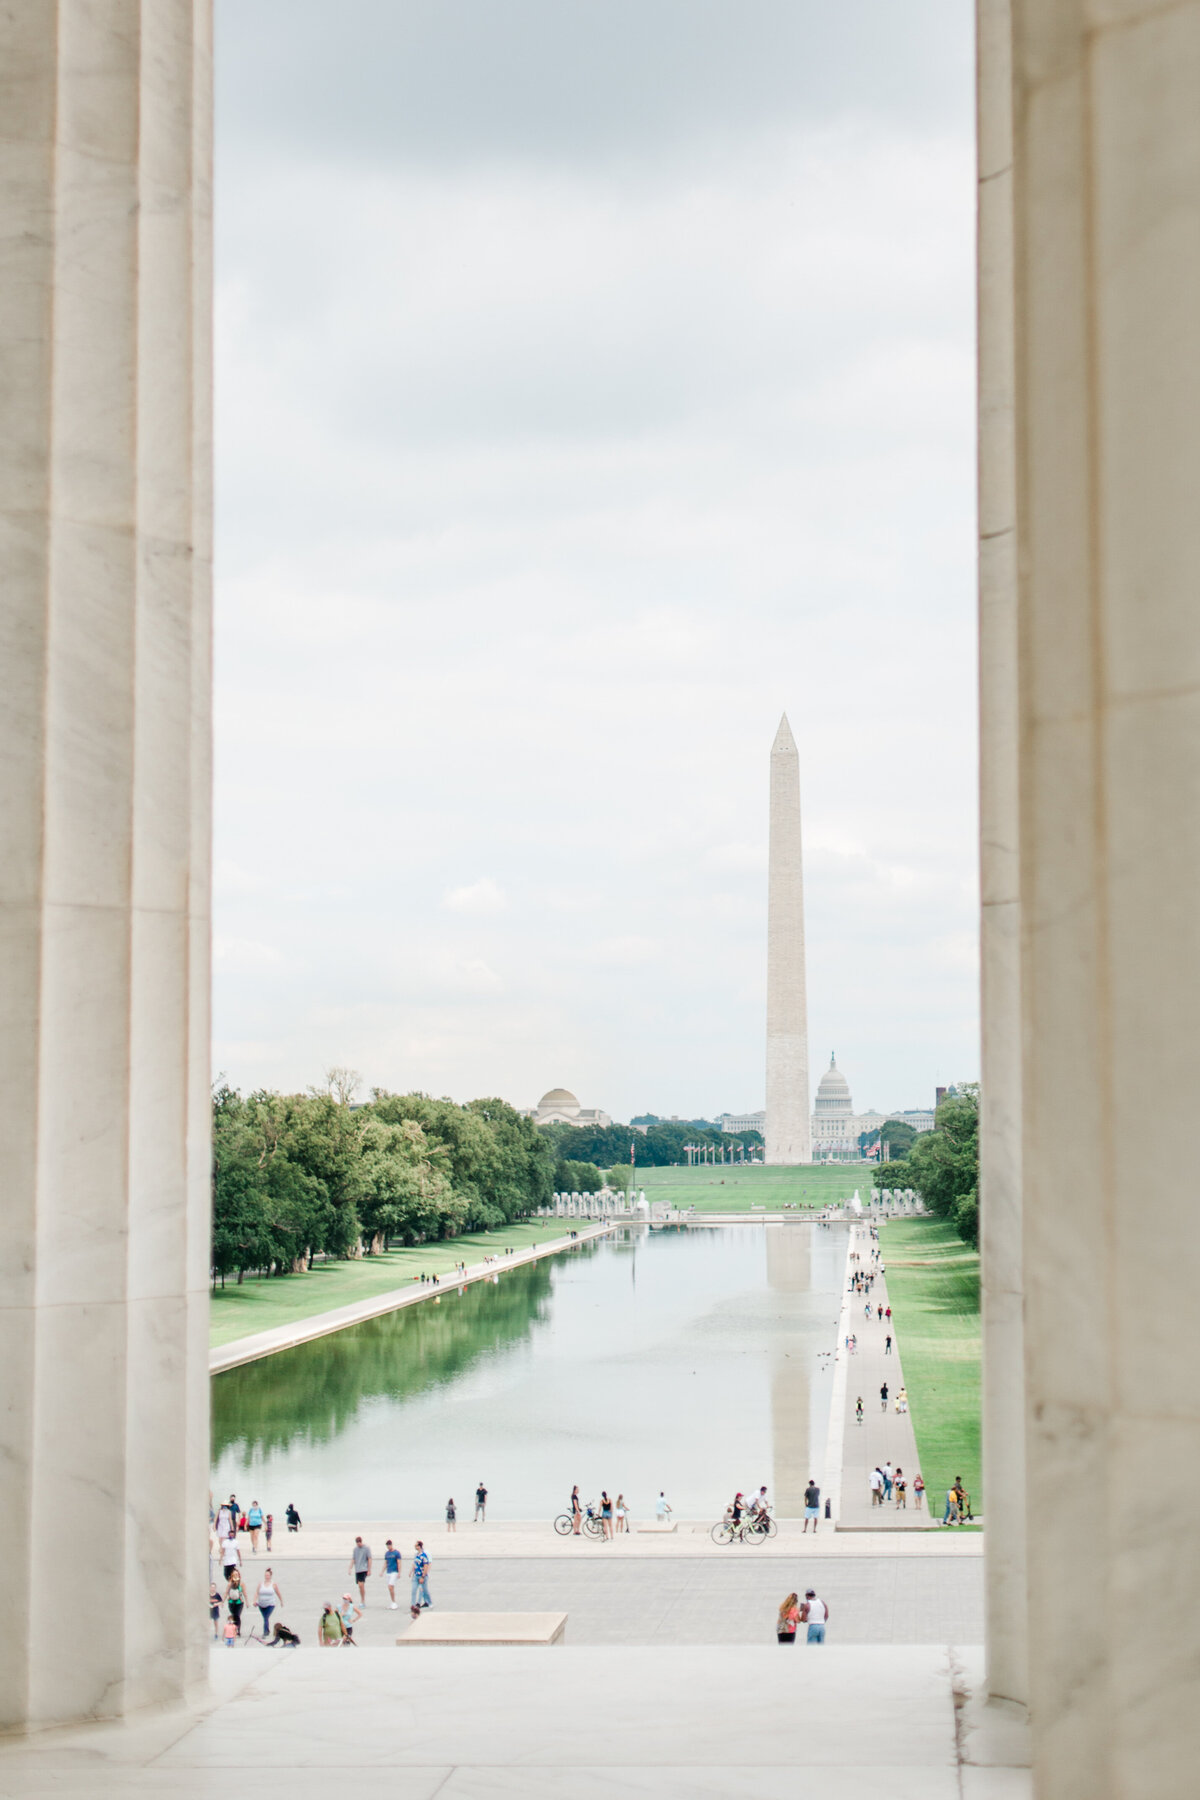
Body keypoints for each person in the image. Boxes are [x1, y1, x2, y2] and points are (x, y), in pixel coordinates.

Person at [255, 1569, 282, 1638]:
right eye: (265, 1575)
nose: (267, 1576)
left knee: (266, 1617)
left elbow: (278, 1593)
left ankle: (265, 1632)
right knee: (265, 1617)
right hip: (261, 1604)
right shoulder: (261, 1584)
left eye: (268, 1575)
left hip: (270, 1604)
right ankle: (267, 1630)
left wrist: (281, 1601)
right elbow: (257, 1593)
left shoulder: (273, 1584)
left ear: (270, 1576)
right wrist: (254, 1601)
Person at [349, 1535, 372, 1604]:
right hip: (357, 1569)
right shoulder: (355, 1549)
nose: (358, 1544)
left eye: (359, 1543)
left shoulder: (366, 1548)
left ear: (361, 1542)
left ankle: (363, 1600)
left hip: (364, 1569)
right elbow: (353, 1559)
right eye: (357, 1543)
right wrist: (350, 1568)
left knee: (361, 1585)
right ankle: (362, 1599)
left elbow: (369, 1558)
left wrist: (369, 1569)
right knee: (360, 1586)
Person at [224, 1569, 246, 1637]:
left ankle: (237, 1630)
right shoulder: (230, 1584)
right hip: (231, 1602)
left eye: (237, 1574)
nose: (236, 1576)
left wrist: (247, 1601)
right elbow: (226, 1593)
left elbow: (244, 1593)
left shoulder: (241, 1583)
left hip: (239, 1602)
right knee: (233, 1616)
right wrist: (223, 1601)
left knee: (237, 1615)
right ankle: (234, 1629)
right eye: (234, 1574)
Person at [411, 1541, 431, 1610]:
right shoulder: (416, 1555)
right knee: (413, 1590)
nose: (415, 1547)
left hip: (422, 1576)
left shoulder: (424, 1555)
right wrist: (411, 1572)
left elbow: (426, 1566)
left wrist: (423, 1576)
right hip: (416, 1575)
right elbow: (415, 1564)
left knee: (424, 1590)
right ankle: (413, 1605)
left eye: (416, 1545)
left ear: (419, 1546)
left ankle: (428, 1602)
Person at [384, 1540, 402, 1608]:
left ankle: (394, 1602)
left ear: (391, 1545)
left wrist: (399, 1572)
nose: (388, 1546)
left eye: (389, 1545)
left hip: (394, 1572)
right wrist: (382, 1571)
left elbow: (399, 1563)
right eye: (387, 1545)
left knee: (390, 1586)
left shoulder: (396, 1553)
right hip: (388, 1571)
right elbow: (386, 1563)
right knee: (391, 1588)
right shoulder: (387, 1553)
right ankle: (393, 1602)